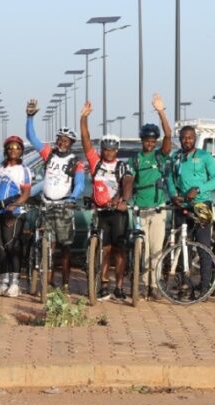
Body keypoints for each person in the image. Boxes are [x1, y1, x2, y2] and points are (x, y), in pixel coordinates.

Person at [25, 99, 85, 293]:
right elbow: (32, 137)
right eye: (60, 139)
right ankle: (47, 281)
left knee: (65, 247)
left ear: (71, 143)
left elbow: (81, 184)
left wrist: (73, 198)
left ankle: (66, 283)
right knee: (47, 244)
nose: (62, 143)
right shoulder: (48, 154)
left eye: (66, 140)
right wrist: (30, 117)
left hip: (63, 207)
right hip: (46, 205)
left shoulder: (76, 162)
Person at [79, 101, 133, 300]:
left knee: (119, 251)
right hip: (101, 213)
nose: (108, 152)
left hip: (117, 213)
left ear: (117, 151)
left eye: (112, 149)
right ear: (101, 149)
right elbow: (85, 140)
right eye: (105, 149)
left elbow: (128, 182)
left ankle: (119, 286)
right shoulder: (96, 163)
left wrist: (123, 200)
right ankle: (103, 284)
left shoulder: (121, 166)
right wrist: (83, 117)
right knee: (105, 250)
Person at [167, 125, 215, 299]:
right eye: (183, 138)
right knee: (182, 244)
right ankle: (184, 283)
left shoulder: (205, 157)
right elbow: (169, 177)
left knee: (203, 244)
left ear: (195, 138)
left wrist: (198, 189)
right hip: (182, 205)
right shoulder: (175, 157)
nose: (186, 141)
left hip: (202, 205)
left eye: (190, 137)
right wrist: (173, 194)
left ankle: (204, 286)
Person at [129, 94, 173, 299]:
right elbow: (128, 181)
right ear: (142, 141)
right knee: (141, 251)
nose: (149, 144)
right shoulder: (135, 160)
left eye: (152, 141)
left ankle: (154, 286)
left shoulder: (159, 155)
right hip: (139, 209)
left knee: (156, 250)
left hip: (157, 209)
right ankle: (142, 284)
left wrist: (161, 111)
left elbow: (169, 136)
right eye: (146, 141)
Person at [0, 135, 32, 298]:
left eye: (17, 148)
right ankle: (4, 281)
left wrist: (12, 207)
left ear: (21, 151)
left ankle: (15, 283)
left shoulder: (24, 170)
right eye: (10, 147)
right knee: (0, 248)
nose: (13, 150)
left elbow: (26, 193)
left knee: (11, 247)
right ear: (6, 150)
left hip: (13, 214)